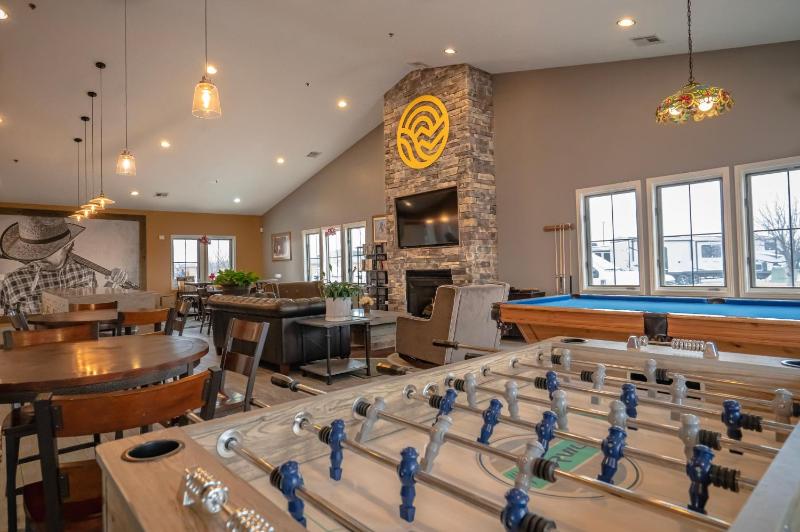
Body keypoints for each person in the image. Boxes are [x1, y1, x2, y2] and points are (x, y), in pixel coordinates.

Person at [0, 216, 127, 314]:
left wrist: (112, 283)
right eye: (31, 251)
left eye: (44, 251)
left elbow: (95, 309)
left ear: (67, 245)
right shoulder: (12, 281)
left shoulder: (86, 272)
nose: (35, 257)